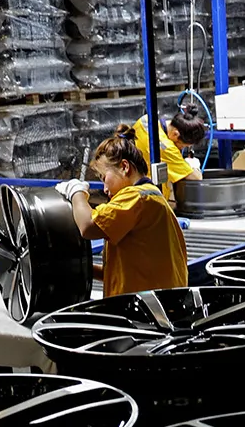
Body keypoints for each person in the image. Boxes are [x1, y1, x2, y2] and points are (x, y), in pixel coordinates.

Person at [58, 124, 187, 298]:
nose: (104, 188)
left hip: (147, 310)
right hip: (153, 303)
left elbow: (88, 226)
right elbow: (121, 275)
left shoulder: (137, 198)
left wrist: (76, 192)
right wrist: (79, 269)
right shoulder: (149, 196)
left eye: (105, 178)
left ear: (125, 167)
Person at [131, 102, 207, 203]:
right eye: (183, 146)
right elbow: (196, 178)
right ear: (176, 134)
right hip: (146, 199)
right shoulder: (166, 148)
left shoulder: (147, 120)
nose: (181, 149)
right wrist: (193, 166)